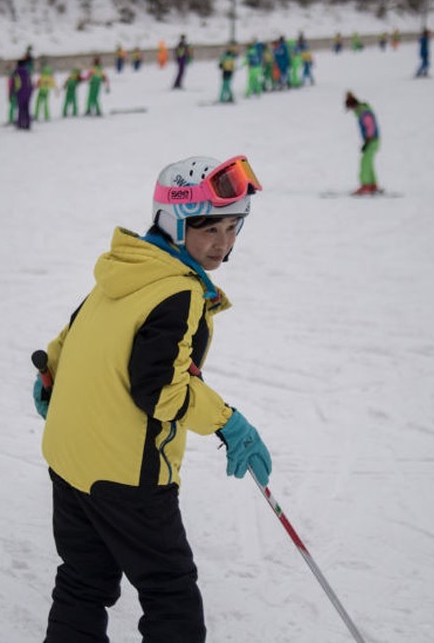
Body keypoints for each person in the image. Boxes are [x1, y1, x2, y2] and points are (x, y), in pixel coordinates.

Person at [33, 154, 272, 643]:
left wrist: (51, 381)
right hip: (128, 475)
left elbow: (71, 339)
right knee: (170, 595)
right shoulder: (177, 292)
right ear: (174, 222)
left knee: (83, 580)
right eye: (209, 230)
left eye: (233, 227)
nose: (223, 245)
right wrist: (228, 422)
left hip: (69, 459)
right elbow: (160, 389)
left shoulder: (127, 267)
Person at [345, 92, 381, 194]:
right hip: (373, 141)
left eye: (350, 109)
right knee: (368, 162)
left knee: (364, 162)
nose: (351, 111)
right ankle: (373, 184)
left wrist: (367, 142)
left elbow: (371, 128)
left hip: (372, 141)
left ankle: (366, 185)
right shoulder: (363, 111)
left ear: (353, 106)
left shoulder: (364, 113)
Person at [12, 59, 33, 130]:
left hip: (20, 92)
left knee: (21, 108)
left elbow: (15, 83)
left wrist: (13, 92)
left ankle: (20, 123)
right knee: (27, 108)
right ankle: (28, 123)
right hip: (28, 92)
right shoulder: (28, 71)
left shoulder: (16, 72)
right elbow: (30, 82)